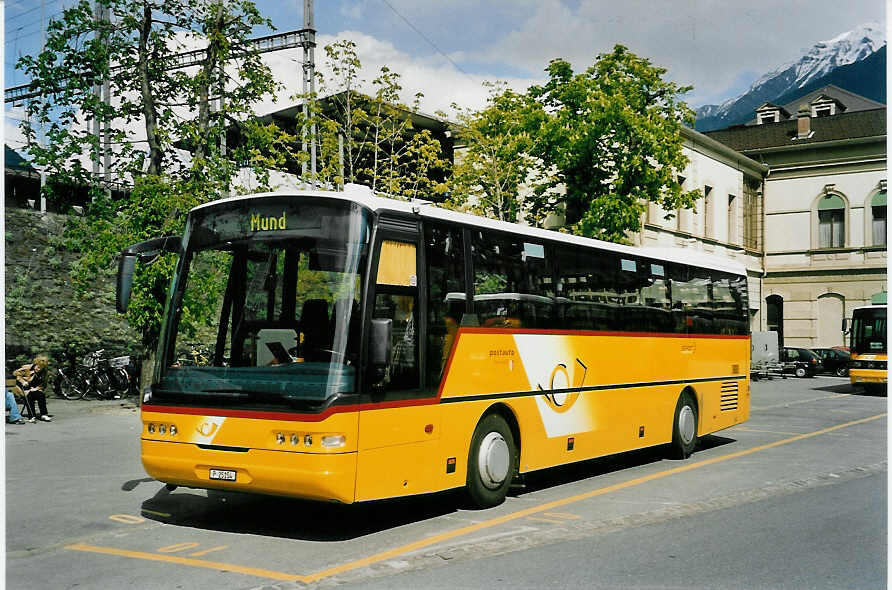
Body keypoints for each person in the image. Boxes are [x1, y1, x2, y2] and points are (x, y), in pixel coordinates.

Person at [15, 355, 52, 422]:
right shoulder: (27, 368)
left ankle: (43, 414)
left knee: (41, 395)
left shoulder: (44, 372)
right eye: (38, 367)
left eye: (41, 368)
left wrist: (36, 388)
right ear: (35, 364)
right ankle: (31, 416)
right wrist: (23, 381)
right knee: (29, 396)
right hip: (23, 389)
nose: (38, 369)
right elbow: (16, 374)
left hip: (33, 389)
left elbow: (43, 384)